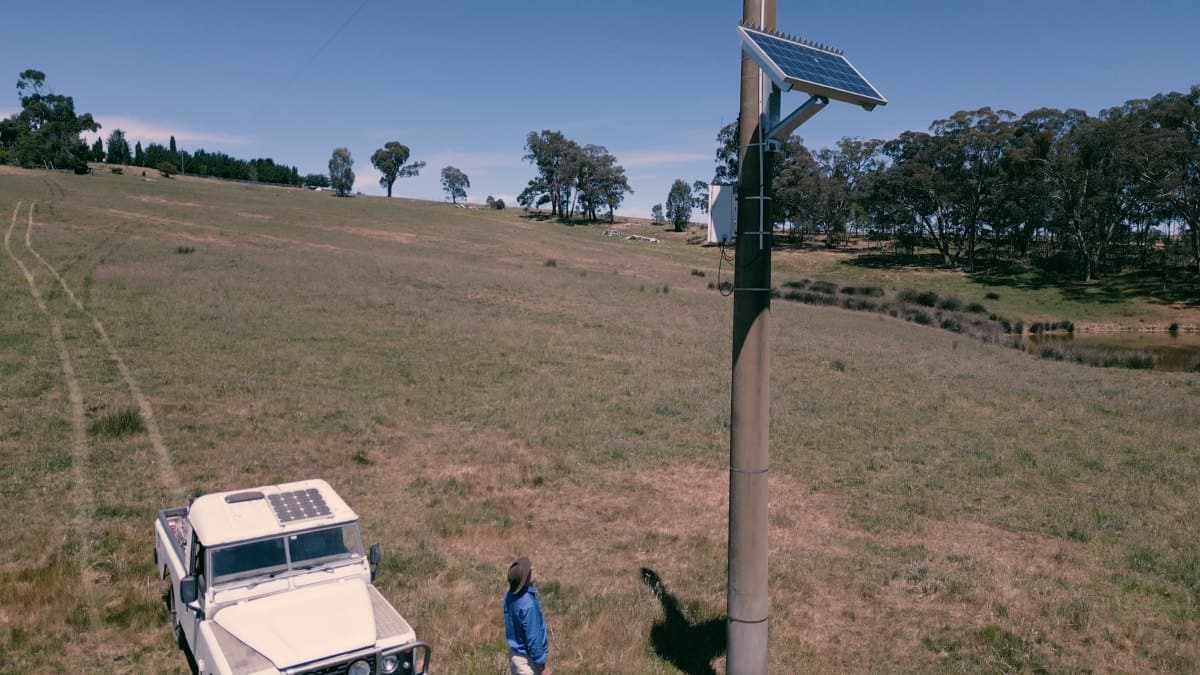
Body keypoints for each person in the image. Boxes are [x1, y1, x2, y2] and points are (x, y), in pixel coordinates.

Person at [503, 556, 550, 675]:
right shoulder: (528, 604)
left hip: (515, 656)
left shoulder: (509, 595)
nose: (533, 568)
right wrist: (543, 666)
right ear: (525, 579)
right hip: (528, 662)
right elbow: (533, 638)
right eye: (530, 569)